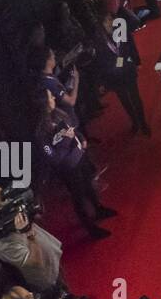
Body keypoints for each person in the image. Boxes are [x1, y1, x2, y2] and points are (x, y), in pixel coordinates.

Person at [31, 89, 115, 240]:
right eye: (50, 97)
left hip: (80, 157)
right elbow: (53, 158)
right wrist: (67, 141)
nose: (53, 98)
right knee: (79, 197)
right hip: (69, 169)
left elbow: (73, 128)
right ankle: (91, 229)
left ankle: (98, 209)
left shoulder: (58, 113)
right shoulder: (41, 132)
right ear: (44, 102)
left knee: (89, 185)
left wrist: (81, 138)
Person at [0, 185, 65, 294]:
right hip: (46, 278)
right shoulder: (2, 241)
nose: (9, 198)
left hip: (52, 261)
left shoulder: (10, 214)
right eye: (3, 198)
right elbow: (35, 263)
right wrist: (28, 232)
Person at [92, 12, 150, 136]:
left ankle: (143, 122)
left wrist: (137, 61)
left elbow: (131, 45)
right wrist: (103, 81)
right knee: (124, 100)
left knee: (135, 97)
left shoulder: (121, 29)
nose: (109, 22)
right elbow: (100, 59)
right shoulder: (99, 39)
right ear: (101, 23)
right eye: (106, 20)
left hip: (127, 69)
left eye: (110, 19)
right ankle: (134, 122)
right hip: (114, 76)